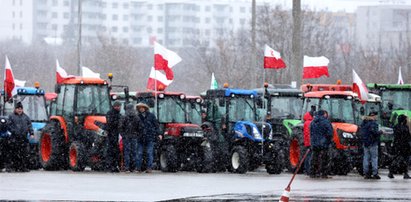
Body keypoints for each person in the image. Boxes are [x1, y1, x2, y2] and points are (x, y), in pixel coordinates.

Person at [7, 102, 33, 172]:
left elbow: (29, 125)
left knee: (23, 153)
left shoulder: (26, 117)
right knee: (13, 153)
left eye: (21, 109)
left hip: (23, 138)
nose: (19, 110)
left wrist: (31, 133)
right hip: (14, 138)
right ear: (15, 109)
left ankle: (22, 167)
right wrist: (14, 131)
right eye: (18, 109)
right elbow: (9, 126)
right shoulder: (11, 116)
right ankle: (12, 167)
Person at [136, 102, 160, 173]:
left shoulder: (151, 116)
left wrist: (159, 134)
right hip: (140, 138)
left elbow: (156, 125)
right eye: (140, 108)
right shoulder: (137, 117)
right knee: (139, 153)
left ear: (145, 108)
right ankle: (138, 168)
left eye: (142, 107)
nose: (141, 109)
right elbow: (136, 127)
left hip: (149, 137)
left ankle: (149, 168)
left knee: (149, 153)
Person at [310, 110, 333, 178]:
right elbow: (330, 133)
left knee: (315, 157)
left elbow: (311, 132)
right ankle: (323, 173)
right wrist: (328, 140)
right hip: (324, 143)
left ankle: (313, 172)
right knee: (324, 158)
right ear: (323, 114)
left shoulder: (313, 122)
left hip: (314, 143)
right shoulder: (326, 122)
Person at [360, 111, 383, 179]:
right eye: (376, 116)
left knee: (366, 158)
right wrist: (380, 132)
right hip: (373, 143)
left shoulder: (364, 123)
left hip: (365, 143)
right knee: (374, 158)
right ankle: (375, 173)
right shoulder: (373, 123)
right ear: (374, 116)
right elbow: (374, 133)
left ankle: (366, 173)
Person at [388, 114, 411, 179]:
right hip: (404, 146)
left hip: (397, 145)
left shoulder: (396, 127)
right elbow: (407, 137)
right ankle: (405, 173)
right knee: (405, 160)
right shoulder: (405, 127)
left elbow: (396, 136)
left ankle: (391, 172)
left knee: (396, 159)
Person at [121, 103, 142, 172]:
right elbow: (140, 127)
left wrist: (123, 135)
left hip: (126, 137)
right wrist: (137, 135)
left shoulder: (124, 117)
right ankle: (134, 167)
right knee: (134, 152)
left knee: (127, 152)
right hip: (134, 137)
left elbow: (120, 127)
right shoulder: (137, 117)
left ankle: (127, 167)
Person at [106, 101, 122, 172]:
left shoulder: (118, 114)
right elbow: (110, 124)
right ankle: (111, 166)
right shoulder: (111, 114)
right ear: (115, 106)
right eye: (118, 106)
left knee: (115, 151)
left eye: (119, 106)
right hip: (112, 135)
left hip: (115, 135)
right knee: (112, 151)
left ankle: (114, 166)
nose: (119, 107)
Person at [303, 105, 316, 175]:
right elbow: (308, 134)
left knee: (308, 155)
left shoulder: (307, 122)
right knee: (309, 156)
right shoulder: (310, 123)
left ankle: (307, 169)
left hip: (307, 142)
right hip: (310, 142)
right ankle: (308, 169)